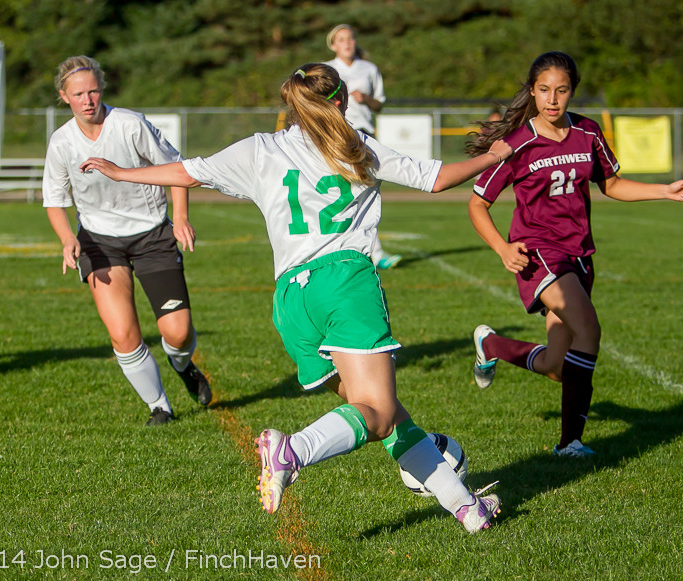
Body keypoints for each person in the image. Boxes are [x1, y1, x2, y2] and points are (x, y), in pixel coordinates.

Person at [81, 63, 514, 532]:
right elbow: (436, 178)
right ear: (342, 100)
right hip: (344, 283)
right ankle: (292, 451)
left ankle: (467, 510)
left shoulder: (260, 148)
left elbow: (188, 172)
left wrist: (123, 173)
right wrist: (492, 157)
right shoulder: (354, 146)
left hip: (291, 300)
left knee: (385, 416)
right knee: (377, 411)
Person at [464, 51, 683, 458]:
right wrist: (502, 248)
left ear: (572, 91)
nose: (552, 99)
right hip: (539, 252)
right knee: (589, 331)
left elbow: (612, 184)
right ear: (532, 92)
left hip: (579, 254)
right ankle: (569, 443)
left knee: (558, 366)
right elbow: (477, 203)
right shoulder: (518, 143)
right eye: (543, 90)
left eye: (562, 90)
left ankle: (492, 345)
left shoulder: (587, 132)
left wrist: (665, 190)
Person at [42, 55, 212, 425]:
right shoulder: (62, 143)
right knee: (122, 333)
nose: (88, 100)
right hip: (100, 243)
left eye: (93, 91)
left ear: (101, 89)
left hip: (152, 235)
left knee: (178, 333)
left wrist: (179, 217)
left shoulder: (130, 125)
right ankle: (159, 406)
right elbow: (54, 200)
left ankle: (183, 366)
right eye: (78, 94)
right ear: (64, 96)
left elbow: (176, 169)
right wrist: (67, 238)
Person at [325, 24, 401, 271]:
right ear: (333, 45)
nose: (347, 43)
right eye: (341, 39)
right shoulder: (327, 70)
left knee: (363, 189)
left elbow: (379, 103)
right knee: (339, 190)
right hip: (335, 134)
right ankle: (350, 248)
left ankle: (372, 251)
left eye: (350, 38)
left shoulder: (369, 69)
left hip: (362, 135)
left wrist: (365, 99)